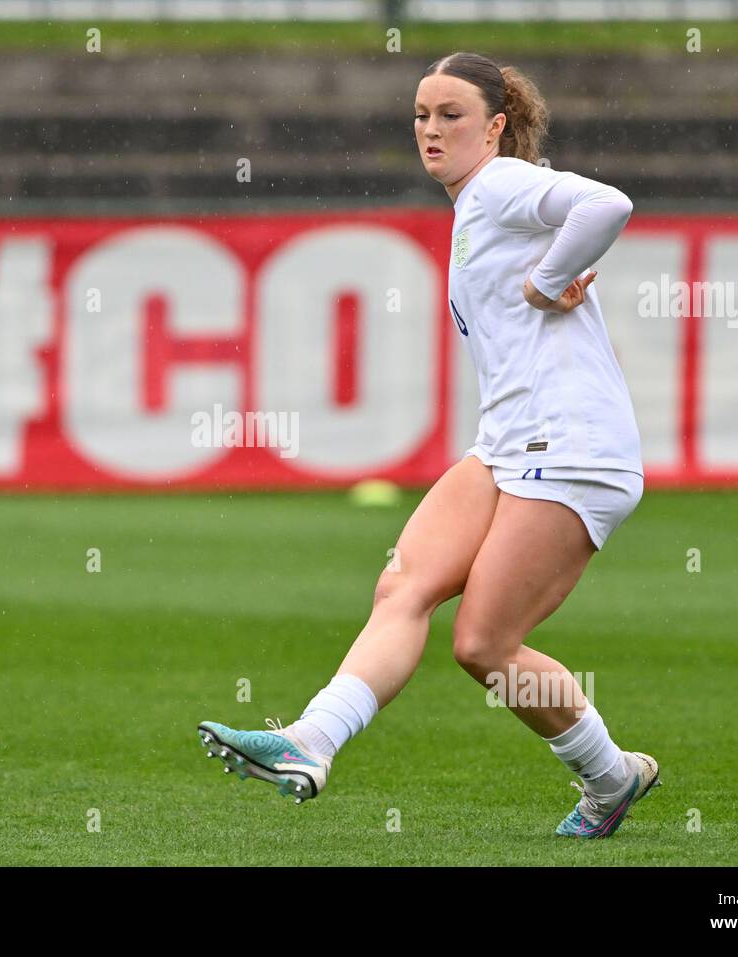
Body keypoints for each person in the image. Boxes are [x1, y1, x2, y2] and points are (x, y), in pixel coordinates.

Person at [198, 52, 659, 839]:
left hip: (575, 447)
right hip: (510, 443)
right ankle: (311, 741)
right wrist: (553, 274)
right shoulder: (477, 205)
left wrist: (550, 280)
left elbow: (607, 205)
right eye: (421, 114)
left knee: (483, 643)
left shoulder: (502, 183)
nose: (432, 129)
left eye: (452, 114)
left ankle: (609, 776)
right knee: (402, 587)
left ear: (497, 126)